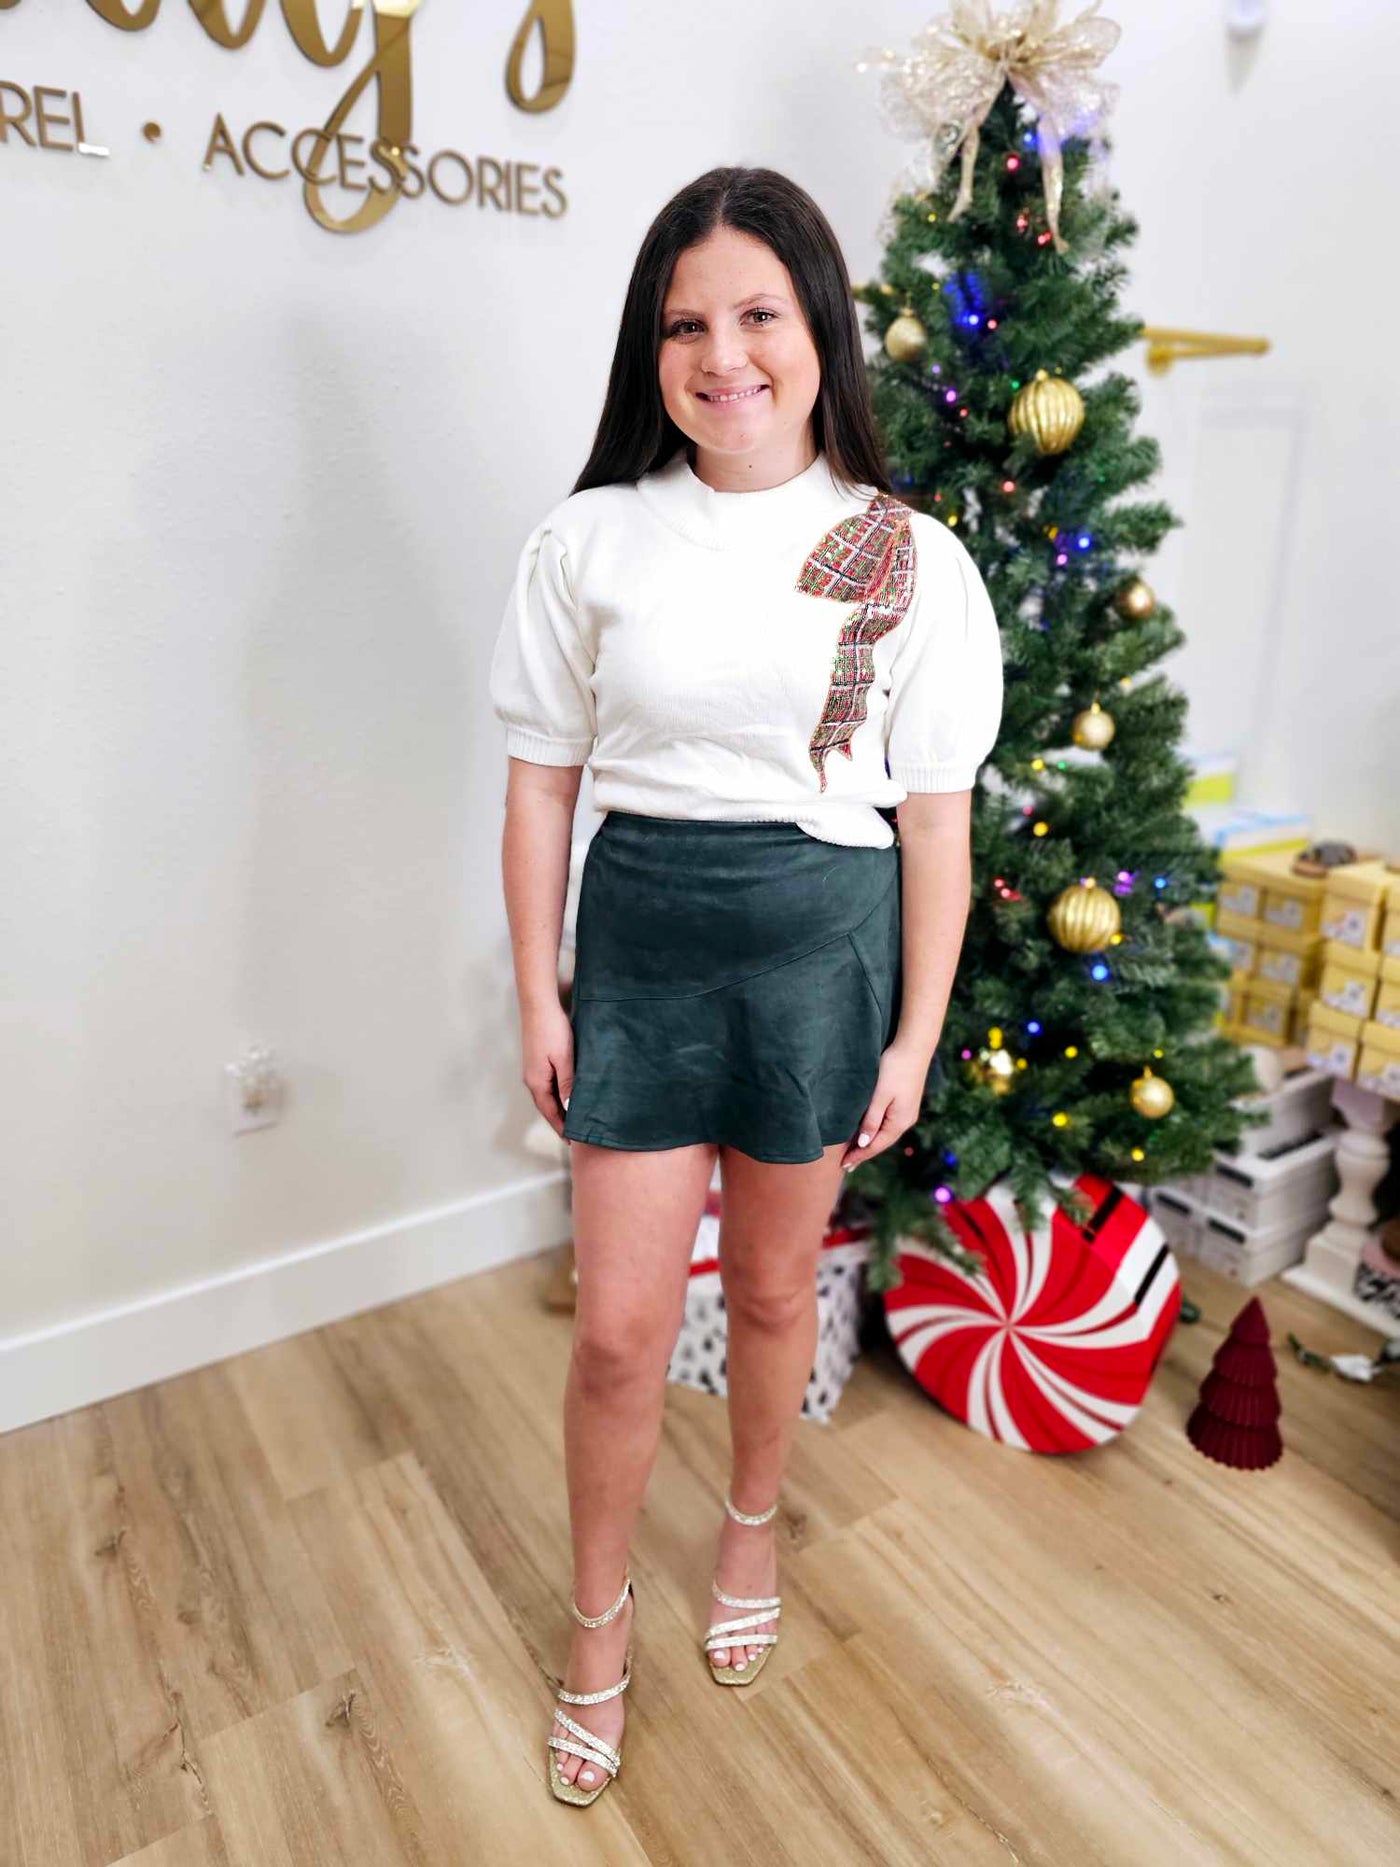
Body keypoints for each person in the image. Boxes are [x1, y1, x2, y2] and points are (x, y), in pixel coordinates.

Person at [488, 165, 1004, 1808]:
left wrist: (915, 1033)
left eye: (757, 314)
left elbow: (936, 819)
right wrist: (540, 995)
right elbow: (540, 785)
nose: (723, 356)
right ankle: (596, 1622)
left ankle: (753, 1527)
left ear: (818, 327)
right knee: (619, 1336)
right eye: (684, 324)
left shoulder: (910, 555)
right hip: (643, 943)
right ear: (651, 351)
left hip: (820, 952)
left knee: (778, 1297)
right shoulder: (590, 537)